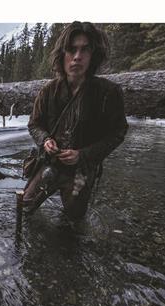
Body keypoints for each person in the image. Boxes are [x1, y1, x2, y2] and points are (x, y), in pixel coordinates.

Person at [23, 21, 128, 222]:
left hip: (81, 172)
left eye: (84, 50)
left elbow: (118, 132)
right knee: (24, 206)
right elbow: (34, 124)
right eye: (72, 50)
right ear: (62, 55)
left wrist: (83, 155)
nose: (77, 56)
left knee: (73, 222)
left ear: (93, 55)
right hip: (48, 164)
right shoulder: (48, 91)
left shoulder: (108, 93)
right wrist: (45, 140)